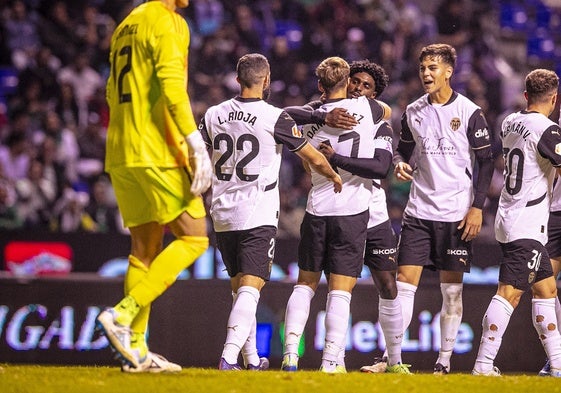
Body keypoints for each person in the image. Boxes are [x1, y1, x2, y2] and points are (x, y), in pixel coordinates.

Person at [199, 53, 342, 371]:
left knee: (240, 289)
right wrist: (332, 175)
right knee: (251, 286)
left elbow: (195, 150)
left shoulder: (213, 114)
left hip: (222, 211)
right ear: (266, 81)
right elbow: (313, 156)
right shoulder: (274, 117)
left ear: (237, 80)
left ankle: (251, 360)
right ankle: (228, 357)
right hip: (256, 212)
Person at [95, 0, 213, 374]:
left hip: (120, 150)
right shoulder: (170, 21)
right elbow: (173, 89)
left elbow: (111, 92)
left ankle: (137, 352)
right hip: (156, 150)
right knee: (195, 237)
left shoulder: (126, 24)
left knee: (143, 251)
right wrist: (195, 145)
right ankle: (122, 315)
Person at [286, 60, 408, 373]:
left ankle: (393, 360)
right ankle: (334, 360)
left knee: (387, 285)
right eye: (355, 82)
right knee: (338, 286)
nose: (358, 89)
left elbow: (380, 166)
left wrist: (331, 153)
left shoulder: (375, 117)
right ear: (346, 80)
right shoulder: (361, 112)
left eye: (367, 87)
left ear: (375, 93)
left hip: (373, 212)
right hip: (349, 210)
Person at [392, 43, 495, 374]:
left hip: (455, 215)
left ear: (448, 71)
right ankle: (392, 359)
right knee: (403, 283)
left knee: (451, 293)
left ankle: (443, 361)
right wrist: (398, 163)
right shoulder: (413, 111)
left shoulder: (469, 112)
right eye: (423, 68)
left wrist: (477, 207)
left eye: (433, 68)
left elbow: (487, 162)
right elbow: (402, 150)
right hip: (419, 212)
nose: (426, 73)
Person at [471, 69, 561, 377]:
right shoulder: (547, 130)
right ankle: (483, 364)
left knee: (547, 291)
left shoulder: (510, 122)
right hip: (527, 222)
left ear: (525, 95)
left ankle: (557, 366)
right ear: (554, 98)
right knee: (509, 292)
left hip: (509, 215)